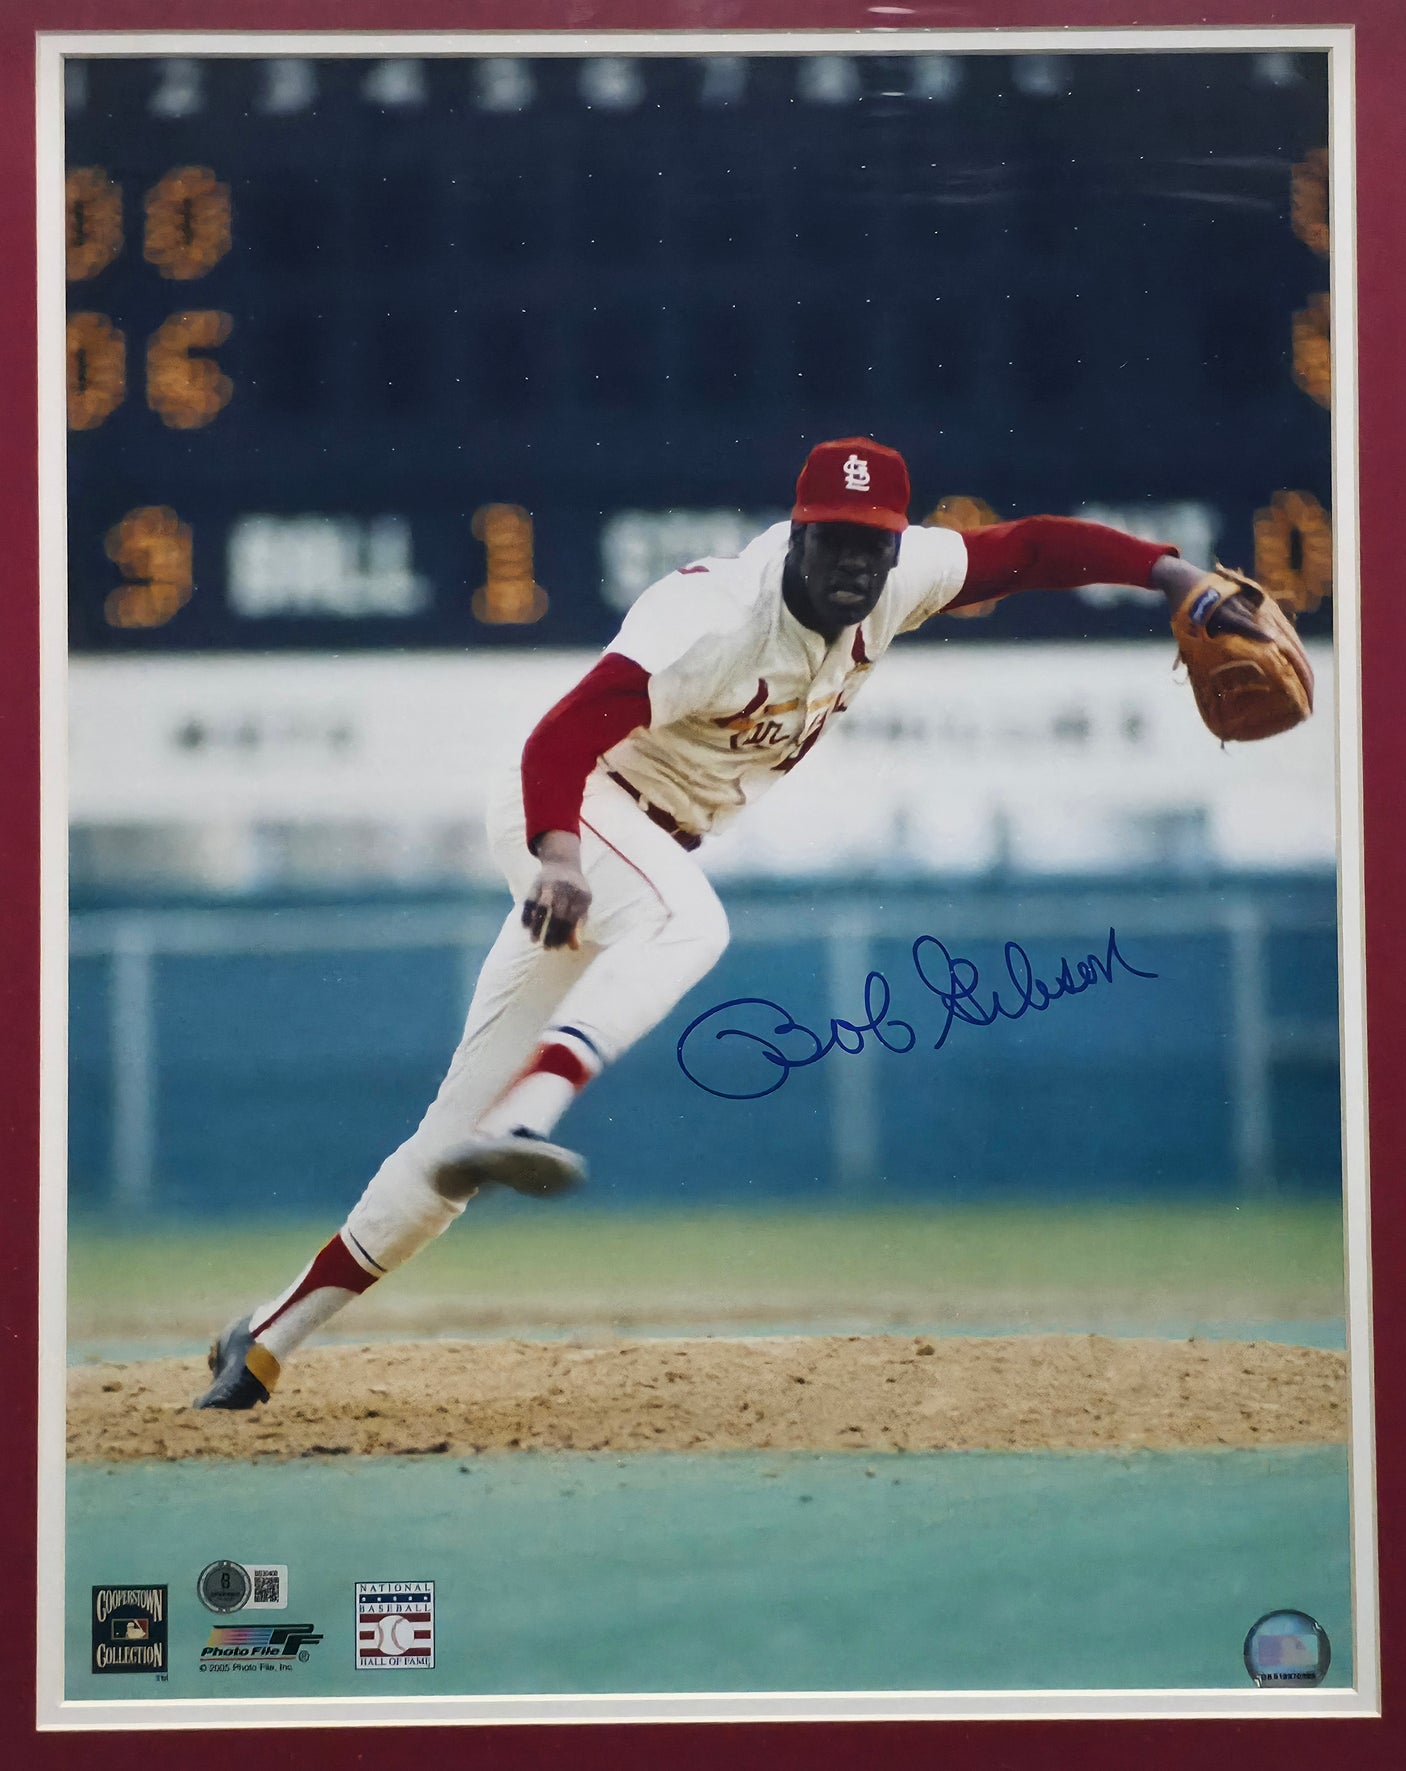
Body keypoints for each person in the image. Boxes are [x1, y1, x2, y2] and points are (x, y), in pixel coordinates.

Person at [196, 436, 1265, 1408]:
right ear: (796, 532)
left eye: (873, 545)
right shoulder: (710, 622)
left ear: (895, 547)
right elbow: (556, 741)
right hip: (572, 816)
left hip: (629, 849)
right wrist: (559, 857)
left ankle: (264, 1341)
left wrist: (1171, 576)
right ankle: (525, 1120)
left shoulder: (902, 580)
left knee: (442, 1157)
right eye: (835, 540)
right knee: (688, 926)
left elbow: (1028, 550)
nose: (855, 563)